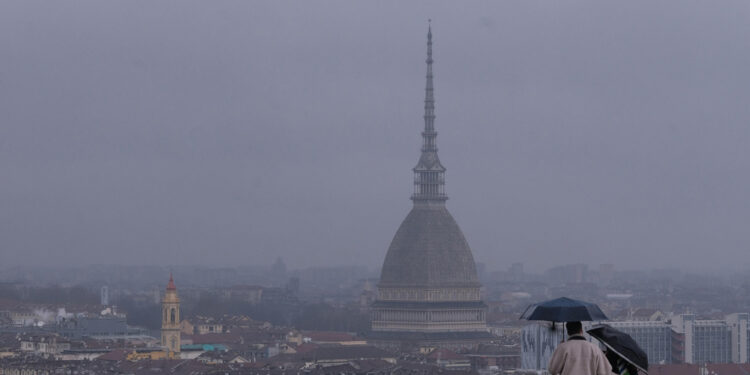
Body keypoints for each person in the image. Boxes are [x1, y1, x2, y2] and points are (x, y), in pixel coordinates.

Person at [548, 321, 613, 375]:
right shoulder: (594, 348)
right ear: (581, 330)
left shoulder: (563, 348)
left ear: (568, 332)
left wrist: (560, 348)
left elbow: (552, 370)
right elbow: (605, 371)